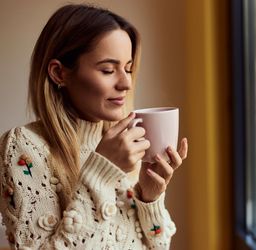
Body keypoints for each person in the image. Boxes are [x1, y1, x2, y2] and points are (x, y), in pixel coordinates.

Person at [0, 4, 188, 250]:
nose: (126, 83)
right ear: (59, 73)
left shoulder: (121, 141)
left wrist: (149, 197)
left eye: (128, 68)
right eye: (108, 70)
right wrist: (100, 173)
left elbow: (158, 246)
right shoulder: (23, 148)